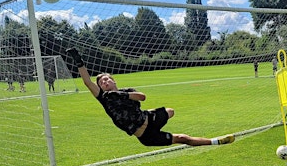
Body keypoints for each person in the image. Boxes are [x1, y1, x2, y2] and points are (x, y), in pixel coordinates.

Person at [65, 47, 235, 147]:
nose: (105, 81)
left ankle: (153, 115)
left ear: (114, 80)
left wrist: (122, 95)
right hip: (146, 135)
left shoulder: (125, 91)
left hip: (150, 118)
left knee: (171, 111)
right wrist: (79, 62)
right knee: (181, 138)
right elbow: (87, 82)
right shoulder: (104, 98)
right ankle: (216, 141)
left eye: (108, 78)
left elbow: (142, 97)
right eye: (102, 81)